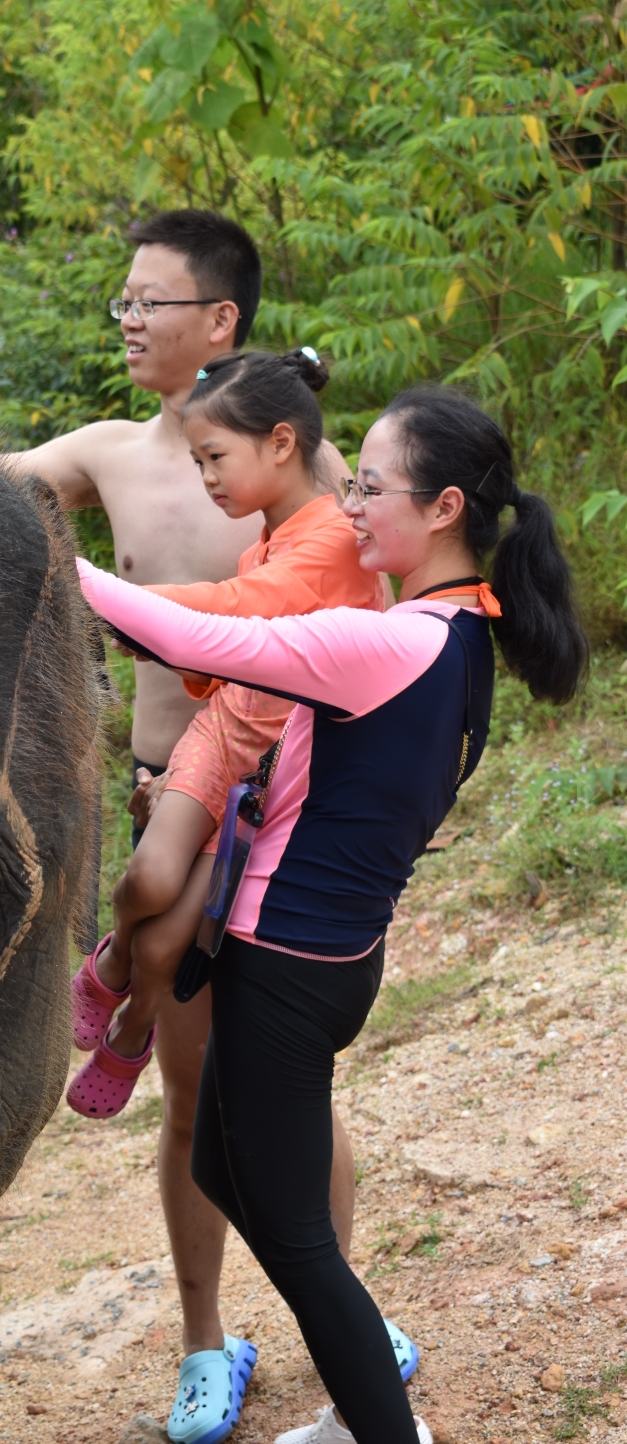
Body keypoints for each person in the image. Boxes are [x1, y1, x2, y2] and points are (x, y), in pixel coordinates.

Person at [74, 386, 588, 1444]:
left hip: (285, 972)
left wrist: (46, 558)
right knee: (225, 1166)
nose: (349, 504)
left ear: (443, 507)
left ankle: (377, 1425)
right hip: (326, 962)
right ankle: (360, 1394)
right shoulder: (457, 644)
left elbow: (182, 630)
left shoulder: (387, 646)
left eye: (369, 486)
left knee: (301, 1242)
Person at [0, 210, 413, 1443]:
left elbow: (386, 641)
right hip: (166, 792)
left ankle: (335, 1317)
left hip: (289, 813)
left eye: (149, 300)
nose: (126, 319)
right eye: (119, 302)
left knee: (290, 1082)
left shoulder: (319, 476)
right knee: (189, 1097)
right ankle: (200, 1342)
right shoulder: (104, 456)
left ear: (218, 319)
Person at [66, 345, 383, 1117]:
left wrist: (123, 604)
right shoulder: (265, 539)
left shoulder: (335, 536)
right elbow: (224, 667)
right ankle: (110, 961)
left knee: (172, 939)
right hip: (227, 732)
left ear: (280, 443)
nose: (206, 477)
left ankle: (133, 1027)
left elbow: (245, 606)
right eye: (198, 459)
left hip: (282, 768)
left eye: (214, 457)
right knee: (144, 883)